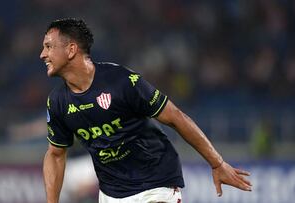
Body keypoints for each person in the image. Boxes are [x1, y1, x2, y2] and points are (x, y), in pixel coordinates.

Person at [40, 18, 252, 203]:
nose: (42, 54)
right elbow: (56, 154)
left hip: (155, 182)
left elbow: (175, 117)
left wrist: (217, 163)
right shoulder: (58, 102)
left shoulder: (121, 82)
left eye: (49, 46)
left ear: (71, 49)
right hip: (112, 194)